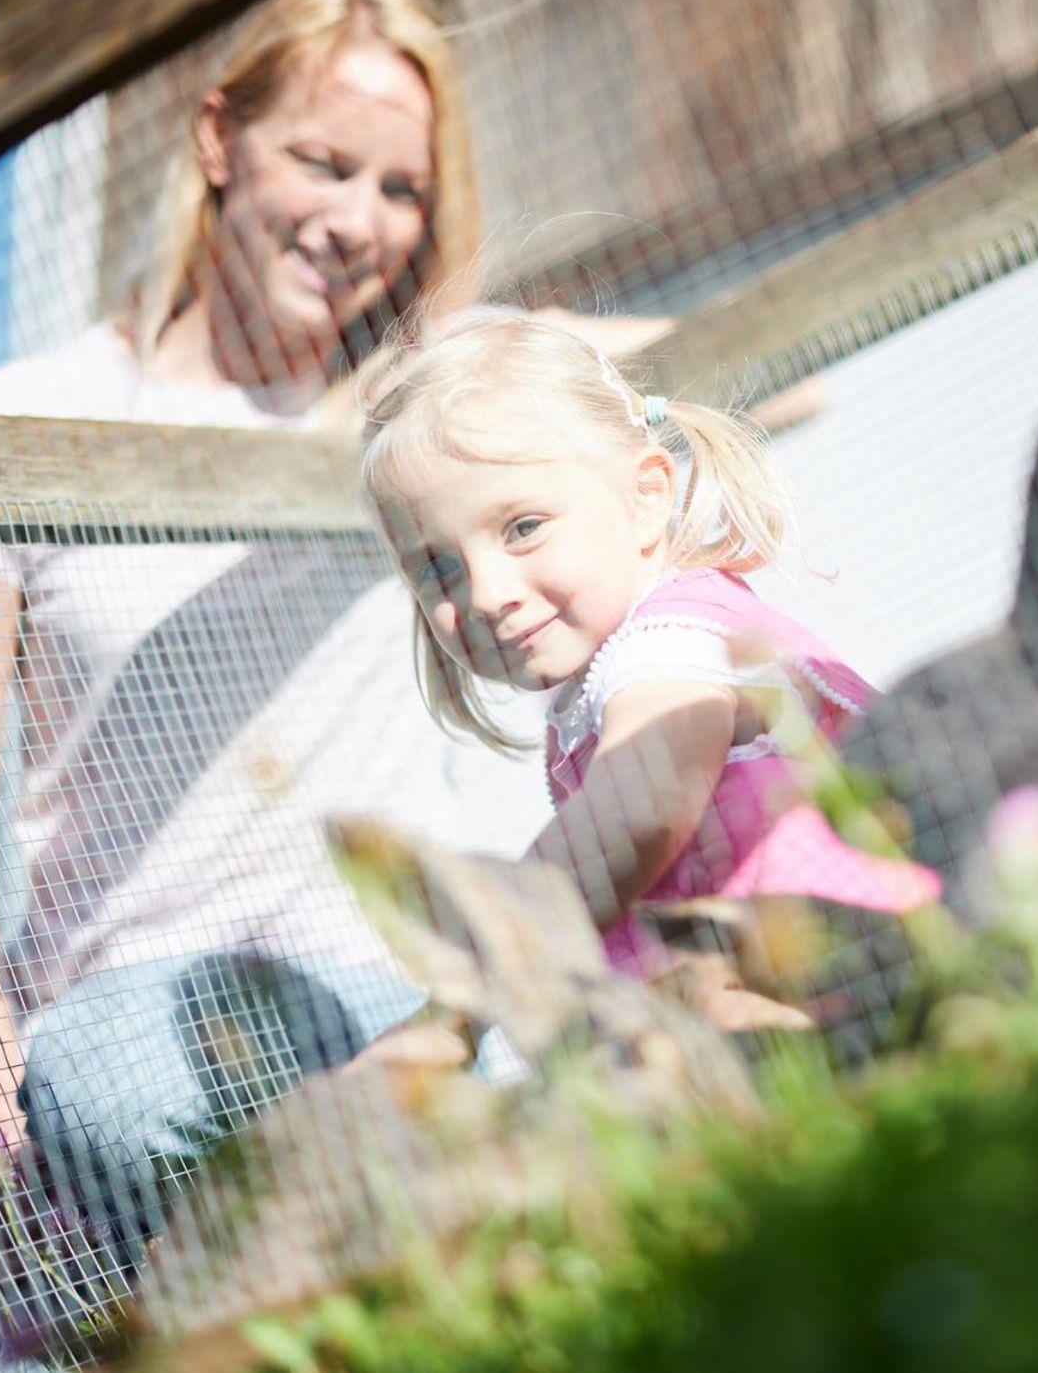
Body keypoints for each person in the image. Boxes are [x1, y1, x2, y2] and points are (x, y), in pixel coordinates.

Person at [0, 0, 559, 1372]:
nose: (358, 220)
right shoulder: (16, 425)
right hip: (106, 1067)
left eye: (402, 190)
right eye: (323, 161)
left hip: (370, 1014)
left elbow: (618, 382)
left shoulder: (413, 422)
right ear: (217, 139)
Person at [357, 308, 941, 1020]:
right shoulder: (612, 673)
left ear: (644, 499)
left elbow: (640, 812)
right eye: (437, 568)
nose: (484, 593)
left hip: (881, 982)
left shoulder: (672, 643)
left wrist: (476, 970)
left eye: (523, 528)